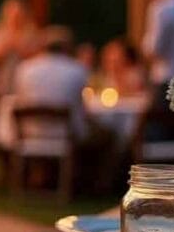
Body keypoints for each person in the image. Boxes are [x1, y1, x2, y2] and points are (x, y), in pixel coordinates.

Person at [14, 27, 116, 190]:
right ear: (68, 47)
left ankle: (36, 179)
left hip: (29, 133)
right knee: (110, 134)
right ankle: (101, 185)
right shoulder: (76, 70)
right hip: (66, 134)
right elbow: (82, 109)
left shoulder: (25, 69)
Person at [0, 0, 38, 95]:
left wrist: (20, 47)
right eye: (12, 12)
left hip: (25, 80)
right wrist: (5, 47)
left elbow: (37, 57)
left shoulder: (30, 32)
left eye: (18, 13)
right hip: (4, 79)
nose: (15, 16)